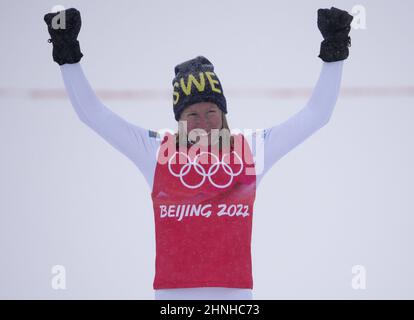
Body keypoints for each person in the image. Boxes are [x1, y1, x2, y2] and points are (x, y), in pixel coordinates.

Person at [44, 7, 353, 300]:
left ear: (223, 112)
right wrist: (67, 53)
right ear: (179, 119)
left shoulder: (250, 150)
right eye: (193, 114)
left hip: (235, 298)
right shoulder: (156, 152)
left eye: (211, 111)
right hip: (172, 299)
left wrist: (334, 50)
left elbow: (316, 114)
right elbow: (93, 114)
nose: (204, 122)